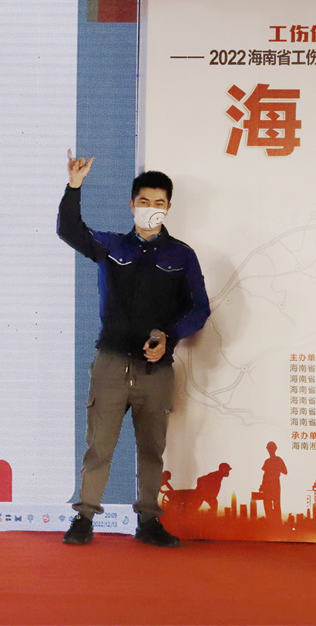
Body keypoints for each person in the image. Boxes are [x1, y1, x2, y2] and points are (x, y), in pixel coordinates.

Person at [57, 150, 210, 547]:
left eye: (159, 202)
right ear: (132, 204)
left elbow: (199, 308)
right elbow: (70, 230)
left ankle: (148, 521)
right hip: (110, 363)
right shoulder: (111, 246)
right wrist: (74, 187)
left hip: (155, 371)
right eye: (144, 201)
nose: (151, 208)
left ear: (168, 207)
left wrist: (169, 337)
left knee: (152, 450)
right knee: (99, 446)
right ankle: (84, 518)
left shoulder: (182, 255)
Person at [259, 441, 287, 521]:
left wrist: (277, 468)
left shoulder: (277, 460)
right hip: (269, 485)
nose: (269, 451)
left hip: (273, 485)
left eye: (270, 449)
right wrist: (262, 486)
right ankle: (271, 523)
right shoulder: (268, 461)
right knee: (268, 505)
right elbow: (265, 475)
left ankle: (275, 523)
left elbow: (285, 471)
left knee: (275, 505)